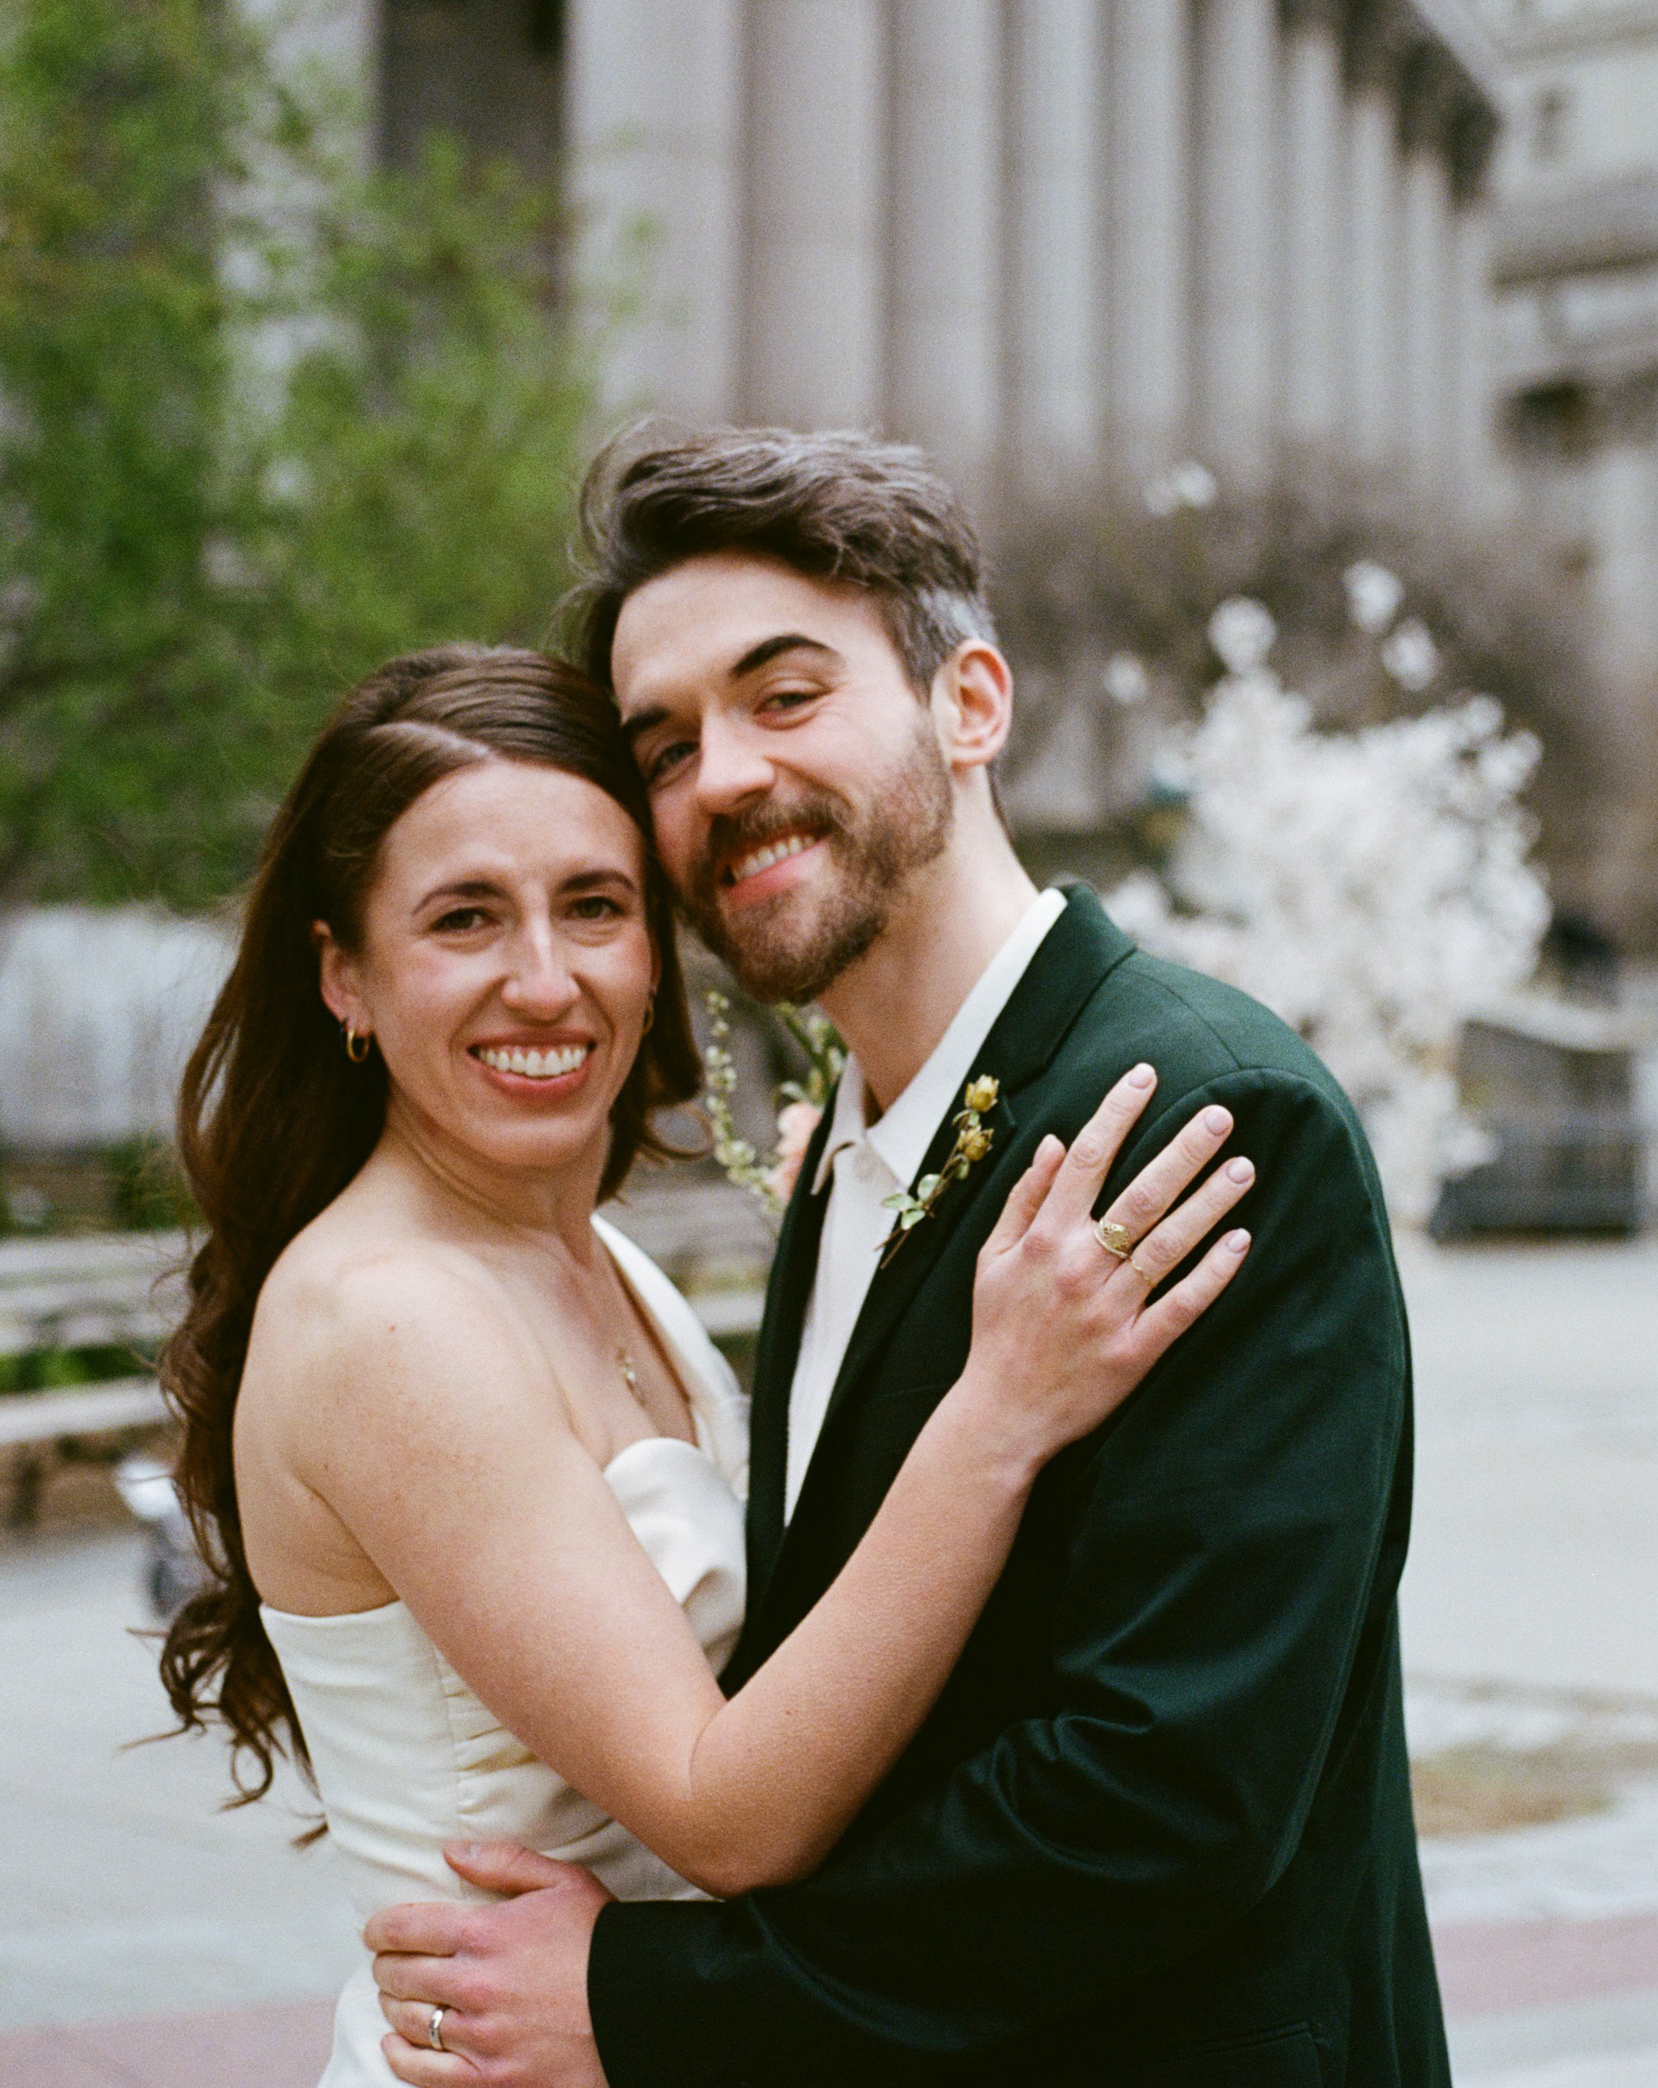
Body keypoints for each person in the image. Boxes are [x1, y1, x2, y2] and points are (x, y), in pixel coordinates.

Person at [367, 431, 1451, 2088]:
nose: (722, 778)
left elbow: (1168, 1790)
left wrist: (663, 2000)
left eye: (784, 695)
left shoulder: (1199, 1117)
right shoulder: (850, 1146)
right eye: (665, 747)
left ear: (970, 704)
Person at [158, 642, 1252, 2087]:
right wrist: (998, 1412)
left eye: (594, 907)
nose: (543, 980)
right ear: (343, 976)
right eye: (465, 918)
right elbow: (723, 1814)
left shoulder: (606, 1266)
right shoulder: (388, 1322)